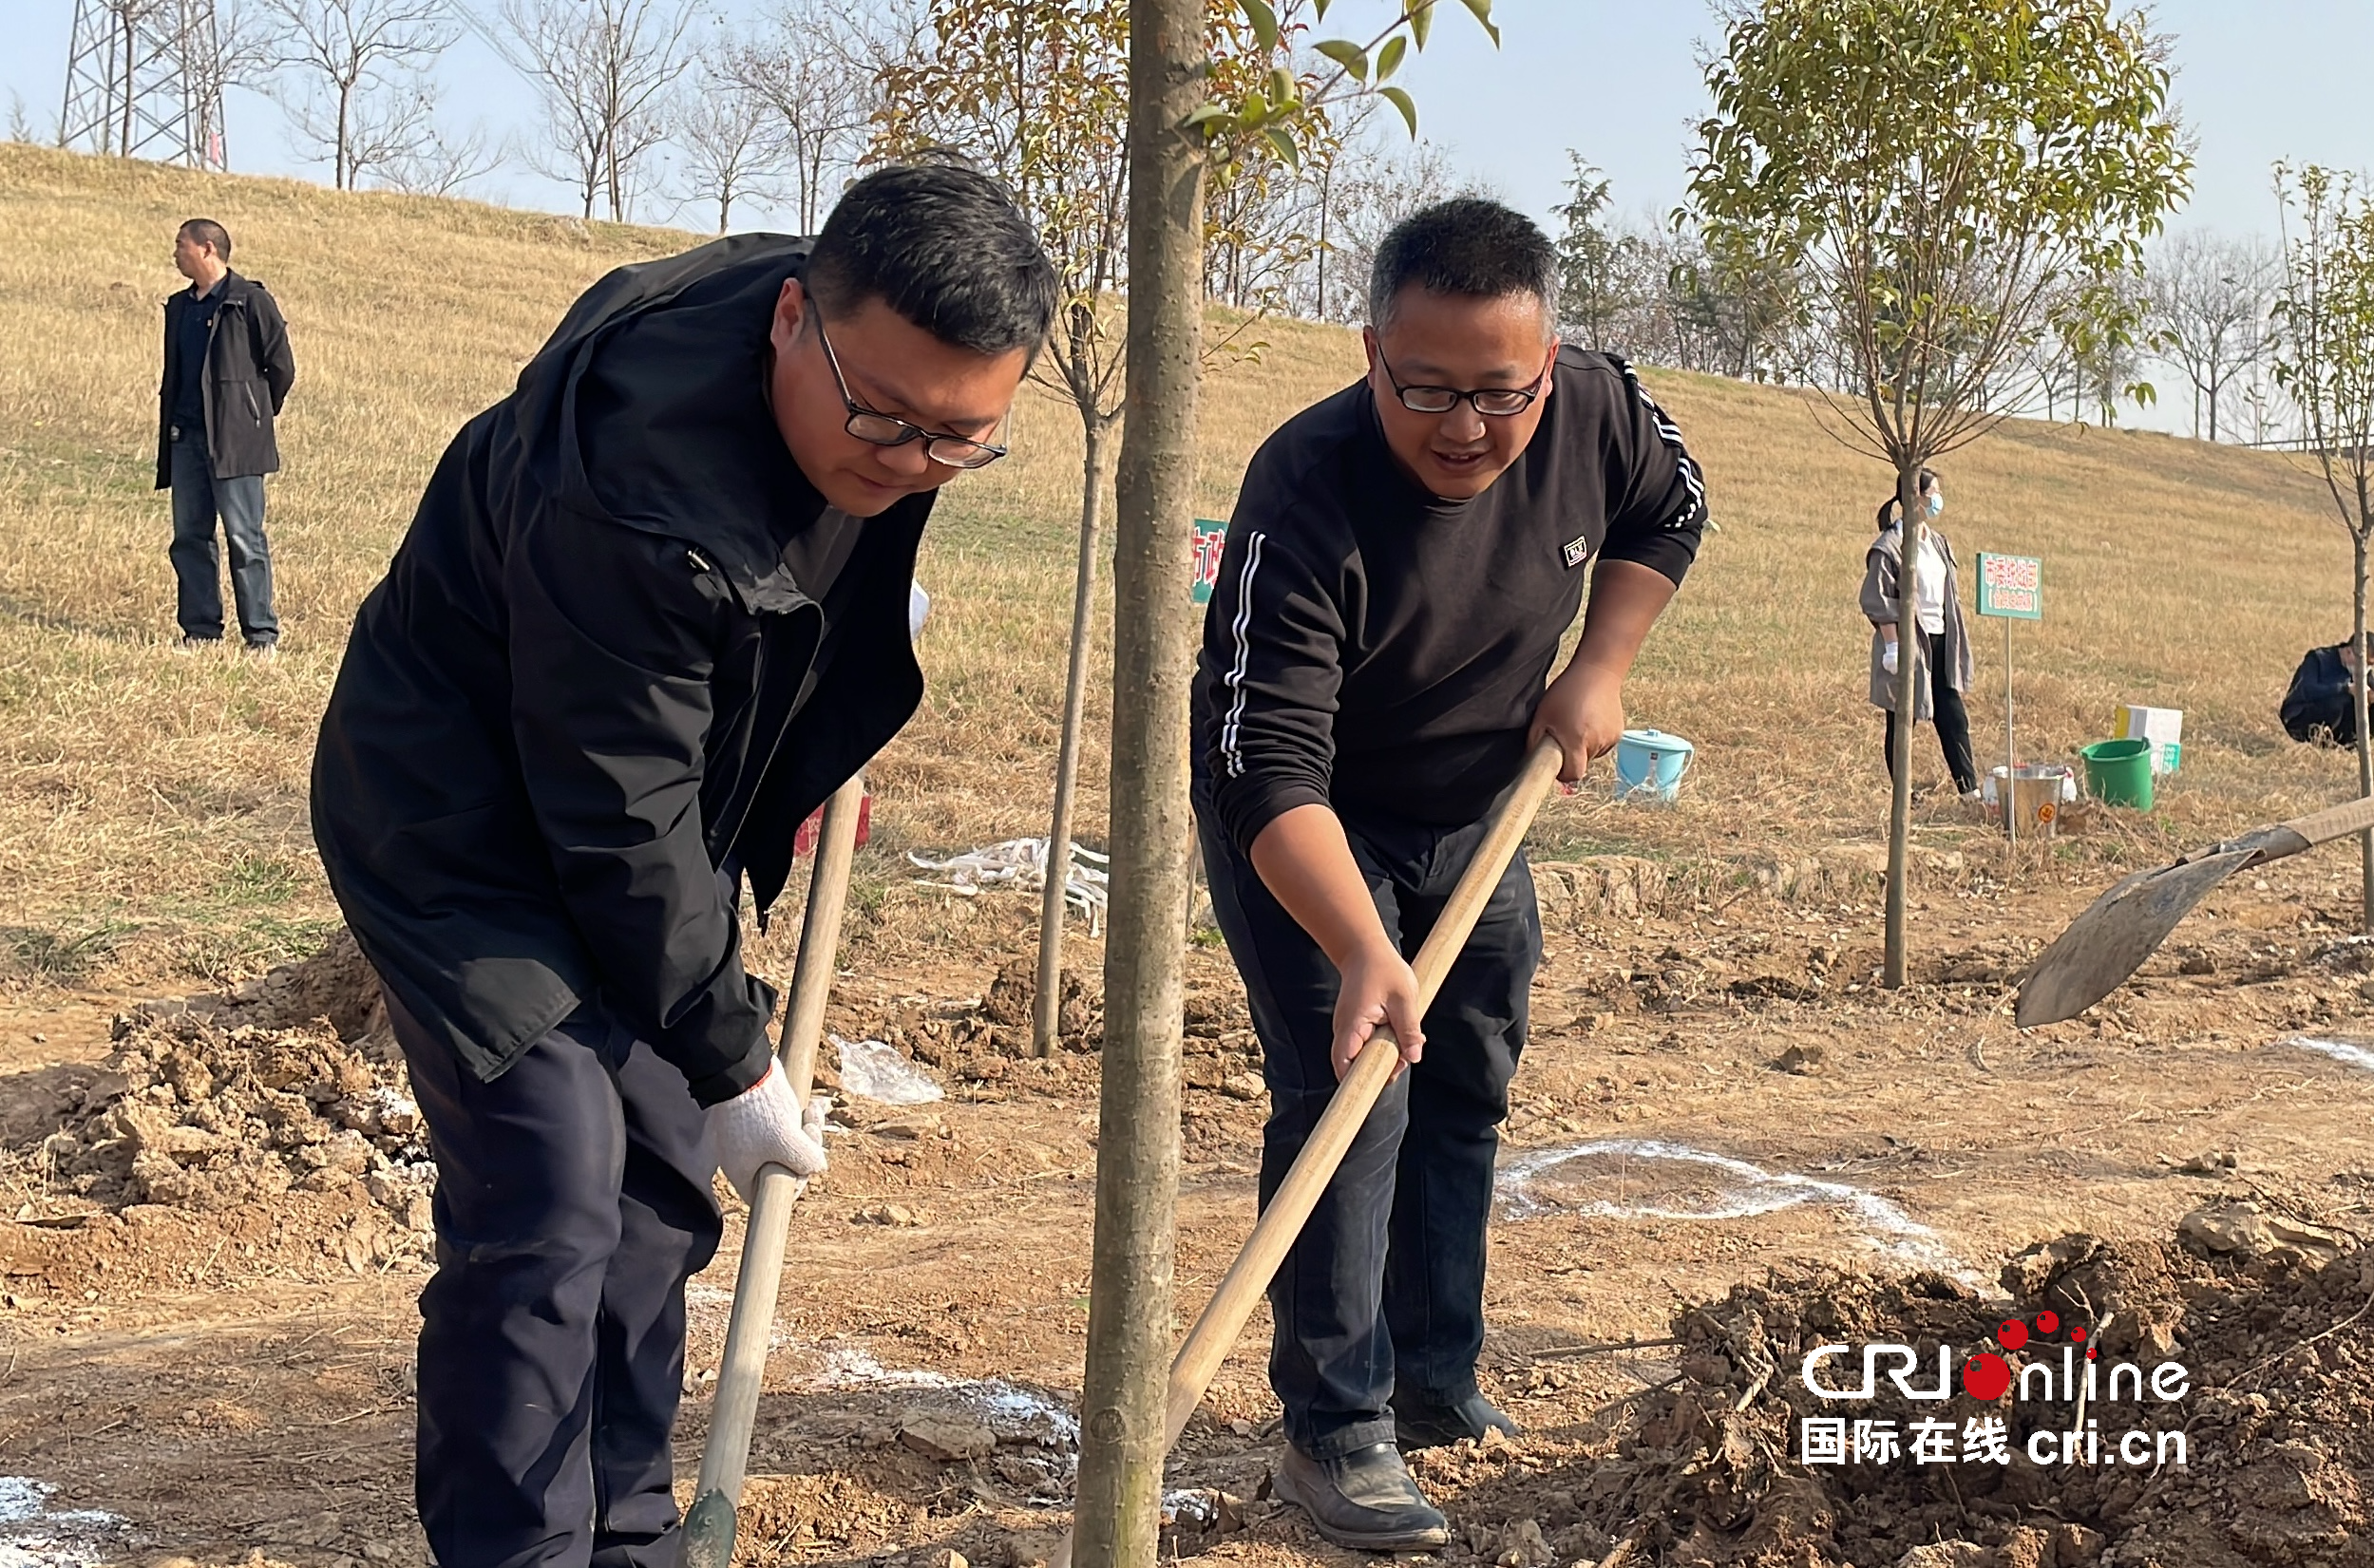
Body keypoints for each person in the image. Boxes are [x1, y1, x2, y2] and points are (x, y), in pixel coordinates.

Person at [310, 162, 1055, 1567]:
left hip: (637, 800)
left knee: (656, 1183)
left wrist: (838, 652)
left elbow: (672, 779)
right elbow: (617, 819)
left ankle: (633, 1534)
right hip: (457, 816)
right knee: (551, 1181)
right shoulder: (638, 496)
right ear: (790, 318)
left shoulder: (862, 351)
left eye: (956, 441)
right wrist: (734, 1051)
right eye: (882, 422)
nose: (904, 463)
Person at [1190, 198, 1706, 1551]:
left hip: (1478, 794)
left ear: (1549, 363)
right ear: (1369, 353)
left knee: (1464, 1071)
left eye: (1500, 392)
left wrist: (1597, 668)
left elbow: (1671, 506)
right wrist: (1363, 944)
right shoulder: (1303, 488)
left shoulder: (1597, 409)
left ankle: (1430, 1375)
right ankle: (1335, 1425)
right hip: (1310, 822)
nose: (1464, 425)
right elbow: (1264, 765)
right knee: (1349, 1094)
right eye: (1423, 388)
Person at [158, 217, 294, 652]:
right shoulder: (180, 307)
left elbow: (281, 367)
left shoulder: (250, 301)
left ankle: (260, 635)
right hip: (186, 440)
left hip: (236, 444)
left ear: (207, 249)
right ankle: (201, 631)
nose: (175, 252)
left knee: (244, 538)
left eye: (182, 245)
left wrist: (251, 415)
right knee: (189, 538)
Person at [1859, 469, 1978, 799]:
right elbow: (1878, 598)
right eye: (1933, 492)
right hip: (1909, 641)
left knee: (1952, 714)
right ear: (1914, 497)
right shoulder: (1889, 546)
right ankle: (1904, 793)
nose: (1938, 499)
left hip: (1941, 640)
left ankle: (1970, 790)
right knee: (1902, 719)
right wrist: (1893, 646)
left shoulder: (1938, 543)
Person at [2283, 638, 2362, 745]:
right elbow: (2308, 691)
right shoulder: (2318, 659)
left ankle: (2350, 742)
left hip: (2334, 720)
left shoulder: (2359, 670)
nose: (2365, 668)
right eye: (2364, 663)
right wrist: (2344, 688)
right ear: (2349, 652)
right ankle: (2315, 737)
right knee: (2336, 701)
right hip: (2300, 715)